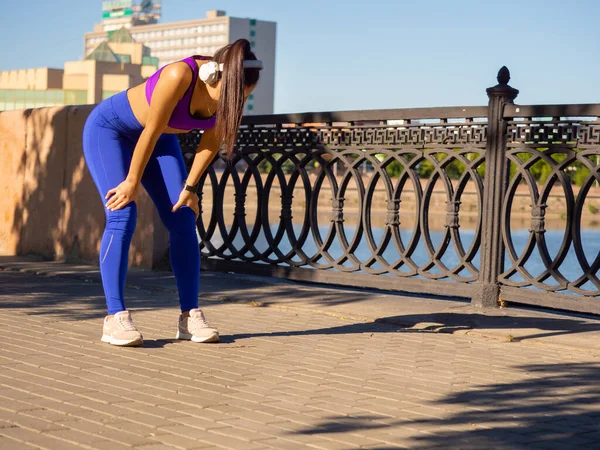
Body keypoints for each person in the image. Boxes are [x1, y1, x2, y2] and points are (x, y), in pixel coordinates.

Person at [82, 39, 262, 346]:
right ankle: (114, 317)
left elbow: (210, 141)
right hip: (111, 131)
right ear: (214, 77)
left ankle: (188, 316)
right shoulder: (180, 75)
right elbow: (148, 132)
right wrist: (131, 181)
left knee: (182, 217)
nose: (234, 104)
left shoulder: (236, 91)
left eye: (243, 97)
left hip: (161, 140)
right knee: (123, 213)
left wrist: (190, 188)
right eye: (232, 96)